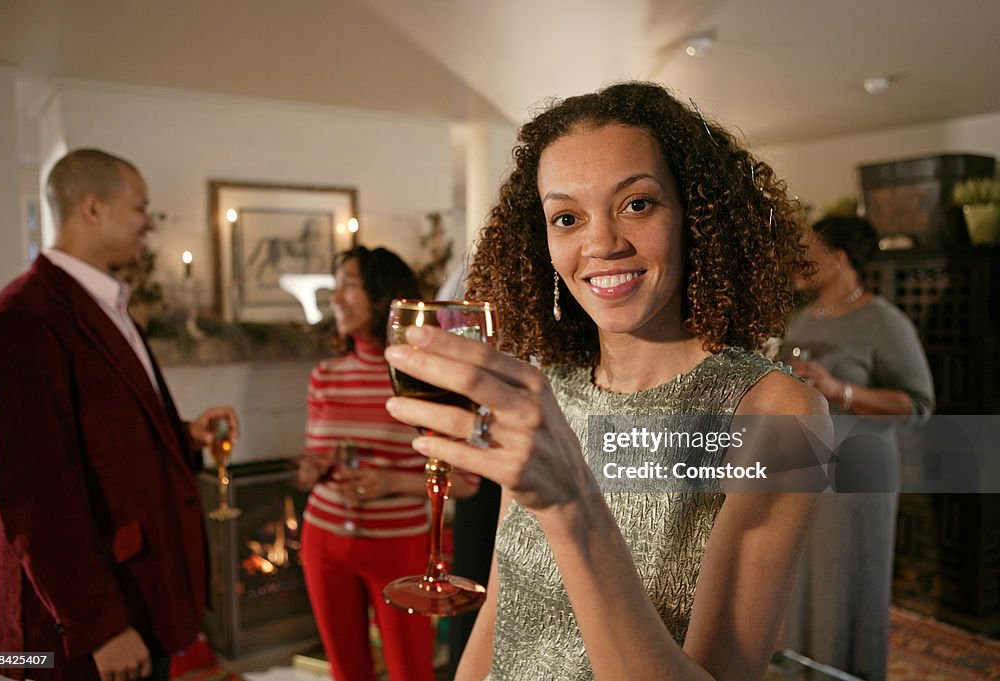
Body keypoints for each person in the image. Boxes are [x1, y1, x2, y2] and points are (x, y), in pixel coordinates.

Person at [380, 81, 832, 681]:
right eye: (566, 217)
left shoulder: (778, 415)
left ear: (696, 216)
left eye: (637, 204)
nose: (601, 243)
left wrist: (572, 503)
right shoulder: (544, 388)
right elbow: (500, 609)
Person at [0, 148, 239, 681]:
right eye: (140, 207)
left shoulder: (105, 304)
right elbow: (33, 492)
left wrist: (183, 437)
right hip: (76, 639)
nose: (150, 223)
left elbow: (100, 437)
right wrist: (100, 627)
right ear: (92, 209)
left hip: (143, 600)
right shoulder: (24, 318)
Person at [297, 245, 478, 681]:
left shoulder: (425, 376)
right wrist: (310, 470)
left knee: (410, 672)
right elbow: (315, 460)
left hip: (398, 548)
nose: (335, 298)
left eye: (349, 286)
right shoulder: (326, 375)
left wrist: (392, 481)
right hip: (322, 541)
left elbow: (469, 481)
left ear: (383, 296)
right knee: (346, 672)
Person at [782, 216, 934, 681]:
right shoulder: (802, 319)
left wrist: (839, 389)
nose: (798, 260)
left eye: (809, 249)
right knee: (800, 586)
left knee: (848, 584)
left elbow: (918, 404)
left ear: (840, 256)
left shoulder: (884, 321)